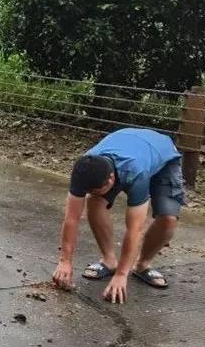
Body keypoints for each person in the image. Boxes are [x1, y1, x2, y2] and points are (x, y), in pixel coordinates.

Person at [52, 127, 185, 303]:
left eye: (97, 189)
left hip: (162, 157)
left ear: (111, 179)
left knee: (168, 219)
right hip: (128, 145)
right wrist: (65, 261)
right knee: (94, 201)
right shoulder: (84, 168)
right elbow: (71, 218)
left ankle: (142, 264)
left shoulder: (136, 172)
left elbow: (135, 229)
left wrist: (122, 275)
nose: (92, 192)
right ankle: (109, 261)